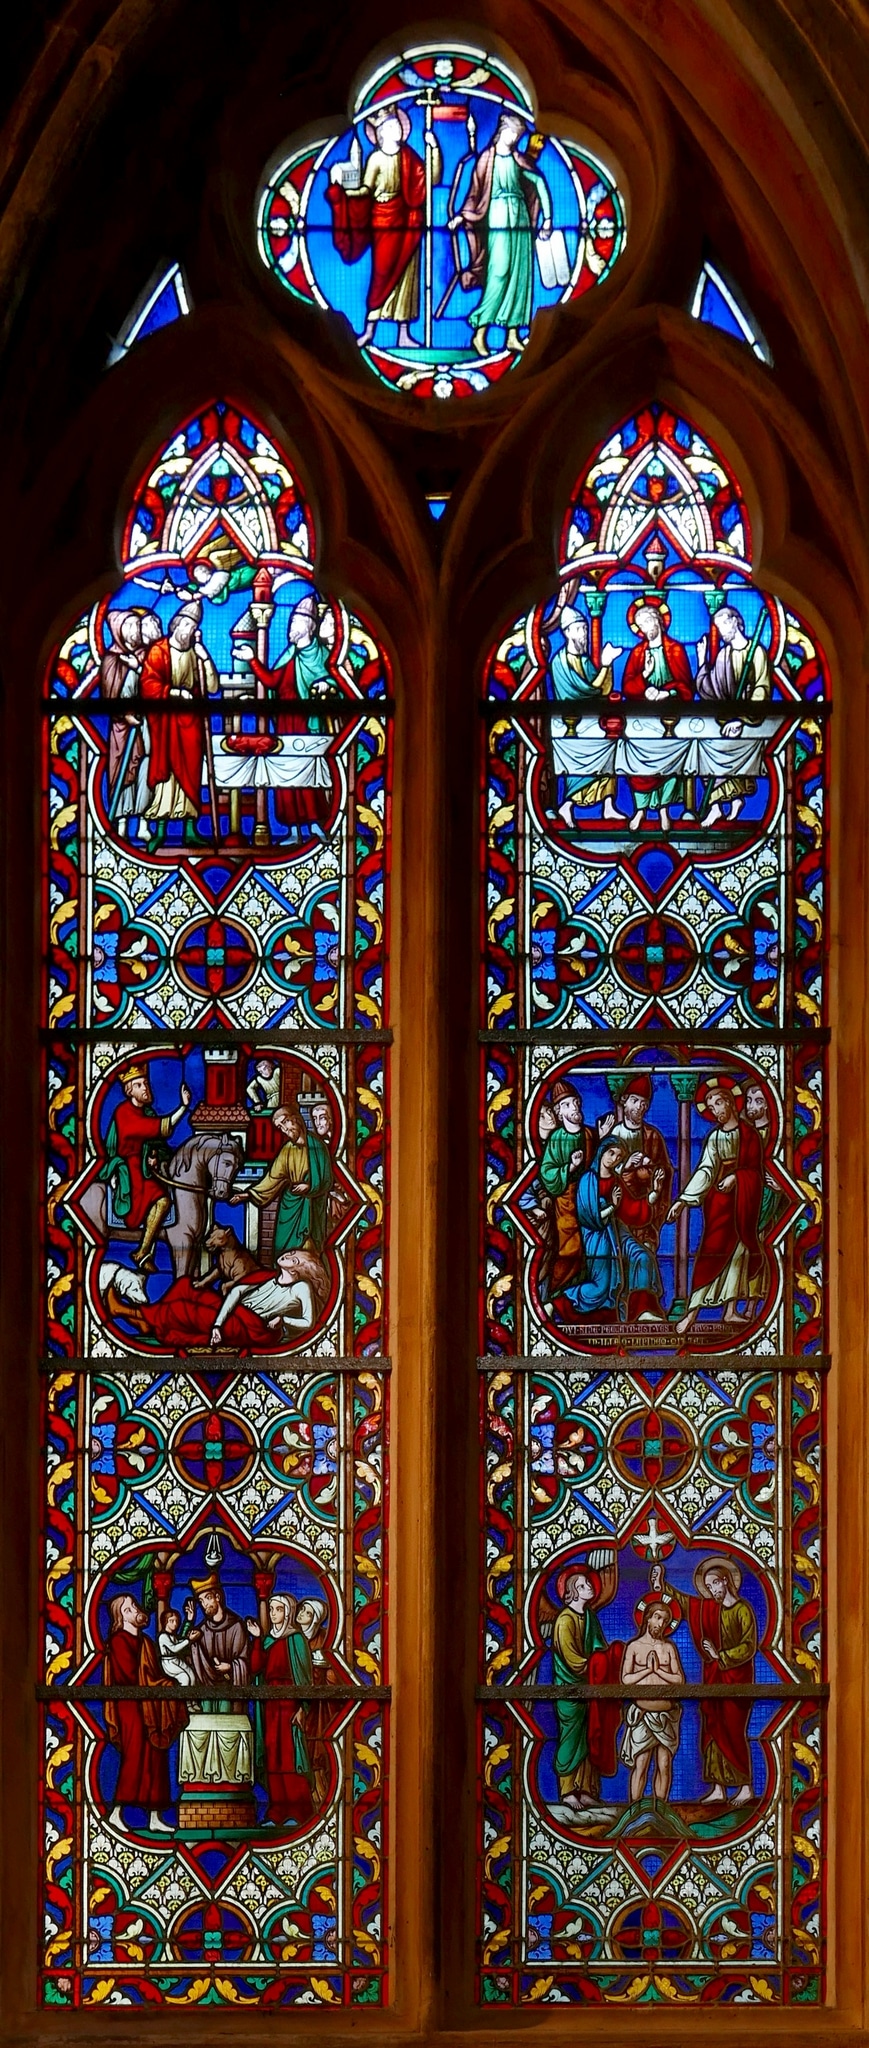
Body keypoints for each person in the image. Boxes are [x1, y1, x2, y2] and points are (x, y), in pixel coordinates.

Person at [327, 104, 440, 351]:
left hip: (409, 222)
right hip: (384, 221)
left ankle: (403, 334)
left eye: (398, 124)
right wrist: (343, 191)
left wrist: (433, 148)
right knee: (381, 276)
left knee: (407, 278)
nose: (397, 128)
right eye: (392, 126)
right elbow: (365, 190)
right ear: (381, 133)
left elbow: (430, 179)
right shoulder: (376, 159)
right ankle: (369, 330)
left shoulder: (409, 156)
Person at [668, 1075, 767, 1336]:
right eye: (711, 1108)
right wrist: (683, 1201)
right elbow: (705, 1170)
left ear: (730, 1103)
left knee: (739, 1255)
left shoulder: (749, 1135)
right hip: (719, 1203)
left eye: (718, 1104)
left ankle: (730, 1310)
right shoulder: (713, 1138)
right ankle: (692, 1313)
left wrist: (737, 1178)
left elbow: (756, 1172)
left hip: (743, 1203)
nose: (715, 1111)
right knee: (709, 1256)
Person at [449, 111, 552, 355]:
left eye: (516, 135)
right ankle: (480, 332)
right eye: (510, 132)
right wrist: (462, 216)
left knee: (520, 276)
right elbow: (475, 192)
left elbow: (539, 183)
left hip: (520, 219)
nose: (513, 138)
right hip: (496, 217)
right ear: (500, 131)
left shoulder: (518, 159)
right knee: (499, 272)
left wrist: (548, 219)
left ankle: (513, 335)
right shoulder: (486, 159)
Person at [244, 595, 333, 836]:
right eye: (291, 621)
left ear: (309, 626)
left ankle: (314, 825)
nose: (290, 626)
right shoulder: (289, 655)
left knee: (308, 772)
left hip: (307, 723)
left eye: (295, 621)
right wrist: (252, 660)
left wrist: (327, 684)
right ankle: (293, 831)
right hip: (285, 723)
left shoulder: (323, 656)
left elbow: (337, 681)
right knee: (285, 776)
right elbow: (272, 681)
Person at [104, 1594, 187, 1832]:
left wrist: (165, 1684)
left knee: (156, 1758)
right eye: (128, 1609)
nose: (135, 1610)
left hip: (150, 1707)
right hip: (130, 1707)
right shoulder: (119, 1641)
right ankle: (116, 1812)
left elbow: (153, 1674)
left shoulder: (146, 1642)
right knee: (135, 1758)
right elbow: (128, 1676)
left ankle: (154, 1817)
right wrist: (160, 1685)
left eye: (134, 1606)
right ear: (121, 1617)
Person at [98, 1061, 191, 1272]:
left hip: (144, 1167)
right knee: (162, 1201)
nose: (146, 1088)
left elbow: (157, 1141)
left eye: (146, 1084)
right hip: (130, 1168)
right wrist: (183, 1108)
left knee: (165, 1196)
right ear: (129, 1091)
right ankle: (142, 1251)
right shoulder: (124, 1113)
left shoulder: (147, 1112)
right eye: (139, 1085)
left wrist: (155, 1156)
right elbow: (156, 1129)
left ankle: (143, 1251)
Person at [140, 600, 218, 845]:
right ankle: (161, 830)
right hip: (165, 721)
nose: (189, 630)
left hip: (190, 722)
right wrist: (173, 693)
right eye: (186, 625)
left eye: (193, 627)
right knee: (167, 772)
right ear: (176, 624)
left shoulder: (196, 653)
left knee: (191, 772)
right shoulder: (158, 650)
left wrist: (205, 658)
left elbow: (212, 687)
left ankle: (190, 831)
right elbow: (148, 684)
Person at [687, 1558, 757, 1805]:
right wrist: (663, 1586)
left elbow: (749, 1646)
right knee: (713, 1729)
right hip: (715, 1678)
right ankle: (719, 1788)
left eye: (714, 1584)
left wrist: (721, 1656)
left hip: (737, 1681)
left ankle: (745, 1786)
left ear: (725, 1581)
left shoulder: (742, 1609)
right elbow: (688, 1603)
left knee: (734, 1732)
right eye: (708, 1586)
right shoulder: (712, 1610)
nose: (711, 1590)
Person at [551, 1567, 621, 1810]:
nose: (589, 1587)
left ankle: (587, 1789)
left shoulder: (590, 1616)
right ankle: (567, 1790)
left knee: (591, 1736)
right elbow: (572, 1659)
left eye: (588, 1584)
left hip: (590, 1688)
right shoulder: (564, 1620)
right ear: (572, 1592)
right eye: (582, 1585)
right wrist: (595, 1665)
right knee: (572, 1739)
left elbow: (598, 1647)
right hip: (569, 1690)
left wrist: (610, 1657)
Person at [621, 599, 695, 831]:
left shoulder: (676, 650)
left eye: (646, 622)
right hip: (643, 720)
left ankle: (664, 810)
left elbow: (687, 688)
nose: (643, 628)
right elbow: (627, 687)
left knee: (674, 755)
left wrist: (667, 693)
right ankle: (640, 810)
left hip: (672, 716)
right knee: (637, 760)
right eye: (639, 625)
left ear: (658, 620)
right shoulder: (637, 653)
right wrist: (644, 680)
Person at [177, 1574, 254, 1796]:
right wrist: (188, 1622)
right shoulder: (201, 1629)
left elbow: (245, 1661)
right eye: (201, 1601)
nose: (204, 1605)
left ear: (218, 1597)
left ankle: (230, 1790)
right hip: (205, 1693)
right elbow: (181, 1653)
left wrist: (231, 1667)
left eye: (207, 1599)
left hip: (229, 1693)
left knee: (227, 1734)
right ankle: (201, 1788)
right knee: (202, 1733)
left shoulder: (237, 1626)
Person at [537, 1079, 615, 1297]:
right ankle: (557, 1294)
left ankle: (578, 1296)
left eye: (576, 1103)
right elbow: (547, 1172)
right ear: (559, 1112)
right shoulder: (557, 1138)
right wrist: (570, 1166)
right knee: (569, 1250)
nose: (574, 1108)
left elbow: (595, 1165)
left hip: (586, 1199)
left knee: (589, 1249)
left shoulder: (589, 1134)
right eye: (567, 1105)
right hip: (565, 1202)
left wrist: (601, 1138)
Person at [696, 604, 772, 824]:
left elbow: (762, 689)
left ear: (735, 622)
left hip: (751, 725)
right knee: (703, 749)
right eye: (718, 627)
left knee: (718, 750)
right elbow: (711, 690)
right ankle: (722, 805)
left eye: (723, 625)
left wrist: (741, 720)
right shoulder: (724, 654)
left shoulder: (756, 652)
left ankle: (721, 803)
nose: (721, 632)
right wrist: (701, 662)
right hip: (727, 723)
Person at [546, 607, 624, 821]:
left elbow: (603, 690)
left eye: (585, 629)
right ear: (567, 632)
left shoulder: (585, 660)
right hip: (571, 726)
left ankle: (608, 806)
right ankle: (567, 806)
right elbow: (585, 693)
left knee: (612, 747)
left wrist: (608, 666)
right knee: (579, 758)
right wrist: (605, 665)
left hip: (593, 723)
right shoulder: (559, 663)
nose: (585, 634)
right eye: (580, 629)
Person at [606, 1072, 673, 1317]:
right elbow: (600, 1175)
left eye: (644, 1103)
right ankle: (627, 1311)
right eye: (635, 1101)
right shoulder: (611, 1136)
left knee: (645, 1255)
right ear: (624, 1101)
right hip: (616, 1215)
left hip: (646, 1215)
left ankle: (641, 1309)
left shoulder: (653, 1136)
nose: (640, 1107)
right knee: (621, 1261)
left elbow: (664, 1172)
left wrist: (650, 1176)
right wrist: (626, 1168)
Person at [248, 1595, 316, 1826]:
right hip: (270, 1704)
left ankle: (298, 1811)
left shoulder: (296, 1639)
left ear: (287, 1613)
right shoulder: (267, 1640)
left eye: (278, 1609)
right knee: (272, 1755)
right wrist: (257, 1639)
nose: (273, 1613)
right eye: (271, 1609)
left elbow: (304, 1675)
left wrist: (303, 1707)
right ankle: (276, 1811)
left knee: (290, 1757)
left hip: (289, 1704)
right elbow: (255, 1668)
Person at [235, 1102, 334, 1256]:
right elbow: (273, 1177)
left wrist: (309, 1186)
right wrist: (248, 1194)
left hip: (312, 1207)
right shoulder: (287, 1150)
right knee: (283, 1249)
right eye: (280, 1127)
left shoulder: (318, 1147)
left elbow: (327, 1180)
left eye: (285, 1122)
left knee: (310, 1249)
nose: (284, 1129)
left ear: (296, 1119)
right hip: (289, 1206)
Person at [619, 1603, 685, 1803]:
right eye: (657, 1617)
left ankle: (661, 1809)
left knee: (664, 1764)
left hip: (666, 1715)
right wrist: (647, 1670)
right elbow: (625, 1679)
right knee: (641, 1763)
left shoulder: (669, 1648)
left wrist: (658, 1670)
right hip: (643, 1714)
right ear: (647, 1618)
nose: (660, 1623)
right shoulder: (634, 1647)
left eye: (665, 1620)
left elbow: (679, 1679)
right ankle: (634, 1809)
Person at [210, 1246, 330, 1347]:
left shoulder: (300, 1287)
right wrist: (217, 1324)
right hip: (233, 1314)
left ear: (295, 1271)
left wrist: (283, 1320)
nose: (287, 1256)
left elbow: (308, 1322)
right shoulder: (268, 1276)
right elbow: (237, 1291)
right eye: (292, 1252)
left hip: (250, 1327)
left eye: (294, 1260)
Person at [100, 610, 147, 838]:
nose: (135, 631)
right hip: (121, 728)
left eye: (137, 625)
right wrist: (124, 715)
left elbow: (153, 684)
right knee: (121, 771)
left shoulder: (145, 656)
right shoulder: (111, 660)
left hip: (144, 725)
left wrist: (138, 666)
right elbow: (109, 695)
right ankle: (120, 824)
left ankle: (143, 824)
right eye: (129, 626)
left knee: (144, 770)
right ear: (118, 631)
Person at [296, 1597, 334, 1810]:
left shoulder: (324, 1639)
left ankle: (321, 1794)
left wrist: (322, 1668)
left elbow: (335, 1673)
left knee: (317, 1744)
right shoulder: (292, 1638)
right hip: (298, 1701)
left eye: (308, 1612)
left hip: (319, 1706)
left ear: (316, 1620)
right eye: (302, 1609)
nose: (302, 1613)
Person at [743, 1081, 787, 1239]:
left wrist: (780, 1187)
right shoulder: (745, 1134)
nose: (751, 1106)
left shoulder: (776, 1136)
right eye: (748, 1100)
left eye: (758, 1101)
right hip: (747, 1196)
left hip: (769, 1198)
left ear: (767, 1105)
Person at [158, 1608, 195, 1687]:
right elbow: (174, 1649)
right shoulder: (163, 1636)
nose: (175, 1624)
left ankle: (192, 1695)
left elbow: (181, 1639)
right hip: (168, 1663)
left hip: (176, 1659)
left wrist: (189, 1620)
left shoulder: (173, 1635)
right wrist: (188, 1640)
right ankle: (183, 1695)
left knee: (191, 1675)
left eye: (176, 1621)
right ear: (165, 1622)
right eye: (171, 1621)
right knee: (184, 1677)